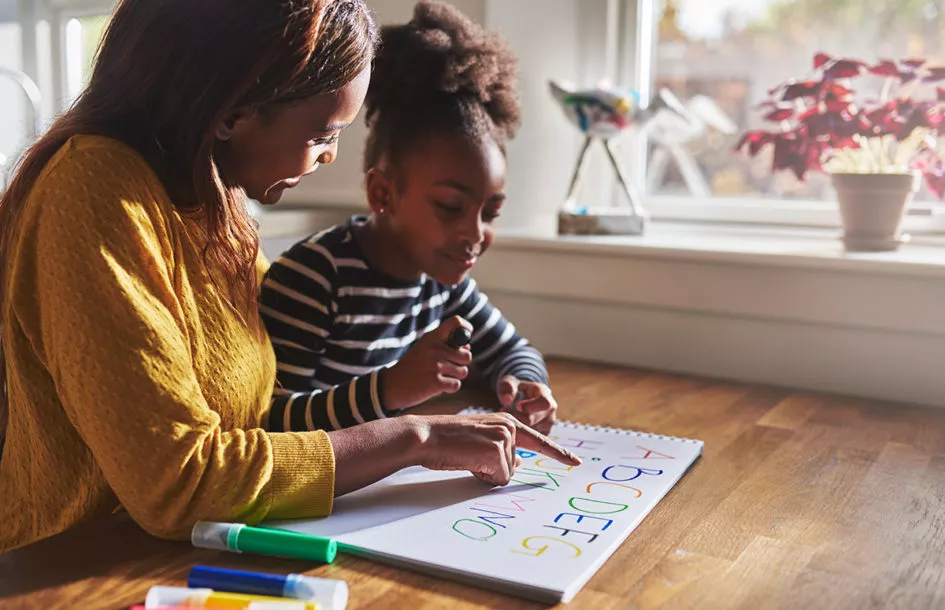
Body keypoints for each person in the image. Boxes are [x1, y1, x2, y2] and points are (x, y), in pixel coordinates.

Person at [0, 0, 578, 553]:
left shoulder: (216, 200)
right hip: (75, 569)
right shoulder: (93, 192)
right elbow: (176, 486)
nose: (330, 159)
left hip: (212, 546)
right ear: (231, 113)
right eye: (323, 135)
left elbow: (261, 409)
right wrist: (414, 438)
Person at [259, 1, 560, 440]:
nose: (476, 234)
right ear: (383, 193)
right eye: (450, 207)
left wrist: (525, 384)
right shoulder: (314, 279)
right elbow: (272, 422)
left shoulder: (445, 286)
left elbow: (513, 349)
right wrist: (390, 389)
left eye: (490, 212)